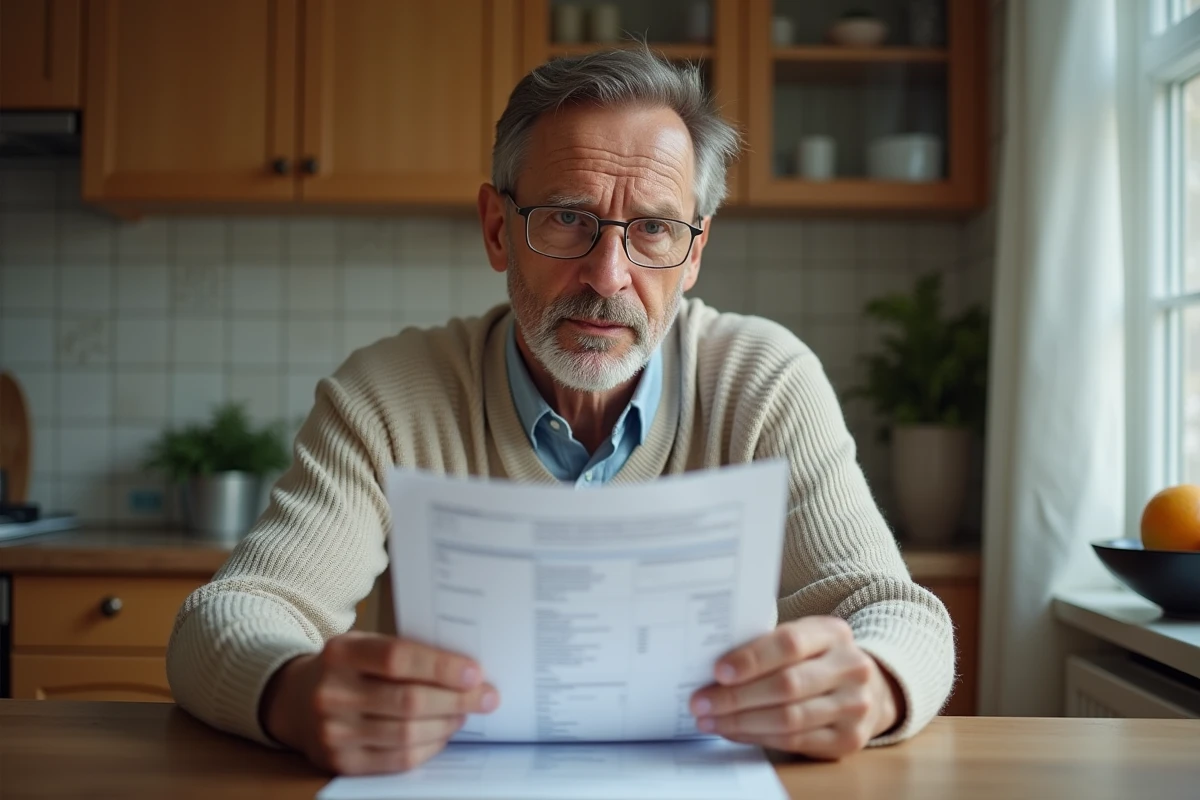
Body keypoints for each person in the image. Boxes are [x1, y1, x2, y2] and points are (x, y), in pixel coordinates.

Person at [166, 46, 954, 776]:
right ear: (496, 228)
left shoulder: (763, 380)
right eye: (568, 218)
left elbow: (894, 613)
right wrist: (291, 694)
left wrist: (875, 683)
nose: (608, 275)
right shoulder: (386, 395)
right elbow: (230, 616)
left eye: (653, 229)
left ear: (695, 253)